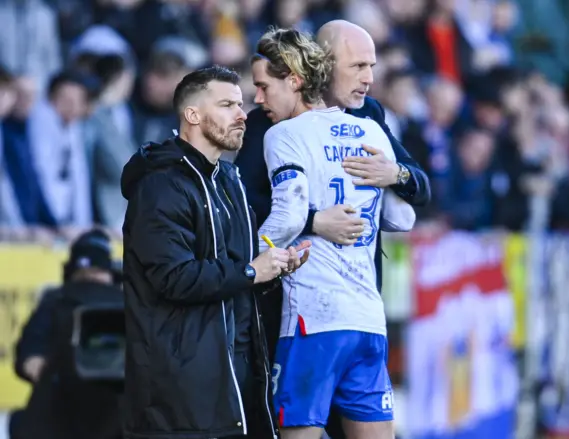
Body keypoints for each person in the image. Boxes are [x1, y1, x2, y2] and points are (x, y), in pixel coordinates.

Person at [235, 19, 430, 439]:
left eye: (372, 65)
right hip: (327, 314)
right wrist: (314, 220)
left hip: (318, 314)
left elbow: (419, 191)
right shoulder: (265, 126)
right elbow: (244, 204)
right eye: (359, 65)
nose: (369, 78)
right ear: (322, 64)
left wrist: (395, 172)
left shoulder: (369, 116)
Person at [120, 65, 308, 439]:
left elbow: (241, 271)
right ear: (192, 115)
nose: (242, 115)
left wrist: (275, 269)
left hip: (236, 378)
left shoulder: (230, 180)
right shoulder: (161, 187)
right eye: (227, 105)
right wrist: (253, 272)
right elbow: (174, 279)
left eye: (240, 104)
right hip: (180, 396)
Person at [11, 228, 124, 439]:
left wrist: (53, 370)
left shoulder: (55, 300)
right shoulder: (129, 303)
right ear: (109, 270)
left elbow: (30, 360)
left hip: (59, 416)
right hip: (116, 418)